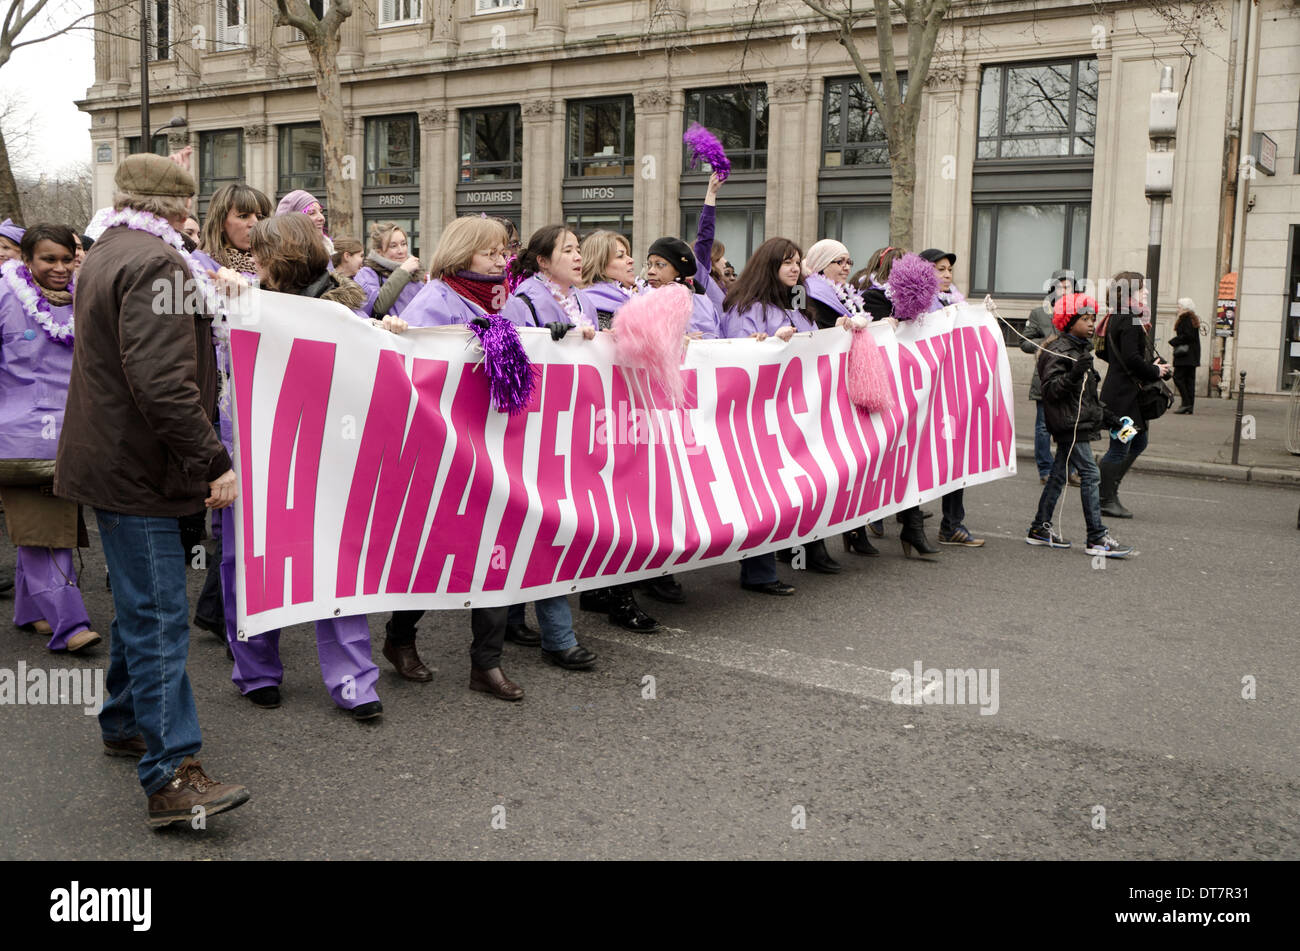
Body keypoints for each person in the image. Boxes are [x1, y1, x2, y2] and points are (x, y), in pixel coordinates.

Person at [55, 153, 250, 827]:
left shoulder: (109, 249)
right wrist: (213, 459)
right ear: (177, 210)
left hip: (116, 461)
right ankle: (171, 774)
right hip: (137, 466)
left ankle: (122, 719)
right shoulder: (159, 262)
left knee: (145, 605)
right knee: (161, 612)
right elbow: (163, 383)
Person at [212, 213, 382, 719]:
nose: (255, 263)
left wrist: (389, 330)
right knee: (247, 559)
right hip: (252, 443)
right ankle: (256, 670)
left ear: (282, 256)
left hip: (327, 448)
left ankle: (354, 679)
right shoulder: (243, 300)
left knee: (335, 560)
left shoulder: (345, 304)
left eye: (261, 254)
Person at [0, 224, 100, 652]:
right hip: (18, 440)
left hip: (73, 434)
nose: (60, 268)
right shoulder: (5, 299)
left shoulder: (87, 297)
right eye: (48, 260)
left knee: (47, 522)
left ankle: (32, 610)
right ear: (26, 260)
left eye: (66, 259)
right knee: (44, 527)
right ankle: (70, 624)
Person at [188, 184, 272, 642]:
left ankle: (220, 611)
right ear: (222, 218)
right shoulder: (198, 267)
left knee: (253, 512)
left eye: (260, 215)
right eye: (243, 216)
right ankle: (228, 616)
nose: (253, 224)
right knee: (228, 510)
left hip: (261, 399)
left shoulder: (269, 266)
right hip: (218, 400)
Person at [720, 237, 812, 593]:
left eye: (797, 262)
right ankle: (759, 570)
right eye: (786, 262)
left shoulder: (798, 304)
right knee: (762, 490)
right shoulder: (748, 306)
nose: (794, 268)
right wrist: (768, 341)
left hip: (791, 410)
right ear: (768, 266)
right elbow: (735, 357)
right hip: (756, 414)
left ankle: (770, 561)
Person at [1026, 292, 1132, 558]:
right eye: (1084, 318)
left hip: (1077, 422)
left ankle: (1040, 528)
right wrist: (1074, 373)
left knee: (1059, 475)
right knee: (1091, 474)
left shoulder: (1080, 350)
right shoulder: (1058, 350)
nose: (1090, 323)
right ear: (1068, 320)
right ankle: (1096, 537)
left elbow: (1087, 398)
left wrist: (1111, 420)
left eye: (1093, 318)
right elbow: (1051, 391)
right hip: (1068, 424)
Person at [853, 246, 939, 557]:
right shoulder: (871, 298)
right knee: (872, 459)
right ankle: (857, 528)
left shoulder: (910, 302)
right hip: (875, 388)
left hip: (905, 387)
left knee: (908, 454)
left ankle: (912, 526)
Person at [802, 238, 880, 558]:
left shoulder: (848, 294)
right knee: (823, 467)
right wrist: (832, 327)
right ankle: (810, 543)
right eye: (839, 262)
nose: (847, 267)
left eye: (849, 261)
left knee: (854, 462)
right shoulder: (809, 293)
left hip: (849, 385)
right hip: (821, 388)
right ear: (821, 265)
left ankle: (855, 528)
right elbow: (807, 329)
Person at [920, 248, 984, 548]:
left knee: (956, 455)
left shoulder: (954, 300)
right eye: (940, 269)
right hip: (923, 396)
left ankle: (952, 524)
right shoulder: (916, 302)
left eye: (949, 270)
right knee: (914, 458)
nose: (947, 275)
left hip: (951, 392)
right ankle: (891, 516)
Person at [1097, 270, 1172, 519]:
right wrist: (1153, 369)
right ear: (1128, 294)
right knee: (1120, 446)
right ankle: (1105, 497)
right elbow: (1130, 358)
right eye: (1142, 289)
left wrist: (1154, 365)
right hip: (1123, 399)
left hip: (1124, 395)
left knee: (1138, 442)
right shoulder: (1128, 319)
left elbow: (1109, 354)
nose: (1147, 292)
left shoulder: (1117, 317)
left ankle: (1106, 483)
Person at [1021, 270, 1079, 484]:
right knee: (1043, 427)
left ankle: (1070, 470)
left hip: (1071, 378)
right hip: (1045, 379)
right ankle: (1045, 471)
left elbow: (1089, 343)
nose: (1065, 290)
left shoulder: (1080, 312)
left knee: (1072, 427)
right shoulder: (1039, 313)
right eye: (1061, 286)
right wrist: (1045, 343)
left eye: (1070, 286)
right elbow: (1024, 342)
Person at [194, 183, 272, 277]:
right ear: (220, 223)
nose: (255, 223)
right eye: (243, 216)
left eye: (260, 217)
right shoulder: (199, 263)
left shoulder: (275, 265)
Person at [355, 222, 424, 319]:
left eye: (403, 244)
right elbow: (377, 308)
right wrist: (403, 271)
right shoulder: (367, 274)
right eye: (393, 246)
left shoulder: (414, 274)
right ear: (379, 251)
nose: (401, 251)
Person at [580, 229, 641, 329]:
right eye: (620, 256)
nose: (631, 260)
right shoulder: (590, 303)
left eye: (628, 255)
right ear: (600, 265)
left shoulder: (634, 297)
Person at [275, 189, 332, 254]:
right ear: (293, 222)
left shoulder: (329, 251)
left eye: (321, 212)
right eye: (311, 213)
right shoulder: (279, 259)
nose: (322, 218)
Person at [1169, 298, 1201, 414]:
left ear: (1185, 308)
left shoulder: (1186, 319)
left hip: (1185, 356)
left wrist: (1174, 341)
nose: (1178, 309)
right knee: (1189, 380)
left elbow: (1187, 336)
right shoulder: (1192, 318)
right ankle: (1189, 405)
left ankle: (1186, 403)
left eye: (1180, 307)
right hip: (1192, 355)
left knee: (1178, 377)